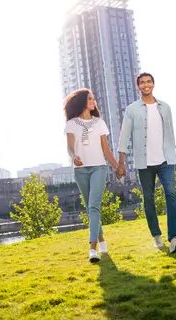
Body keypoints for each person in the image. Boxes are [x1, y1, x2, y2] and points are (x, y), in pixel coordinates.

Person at [116, 72, 176, 254]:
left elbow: (170, 134)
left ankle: (174, 238)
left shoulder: (165, 107)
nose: (146, 85)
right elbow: (124, 136)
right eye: (142, 83)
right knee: (148, 200)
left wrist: (175, 158)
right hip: (144, 163)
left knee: (171, 194)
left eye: (149, 82)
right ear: (138, 86)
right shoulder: (132, 109)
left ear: (153, 84)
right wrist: (121, 163)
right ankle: (156, 236)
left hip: (166, 160)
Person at [64, 88, 120, 263]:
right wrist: (74, 157)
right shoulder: (71, 124)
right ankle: (102, 242)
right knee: (90, 208)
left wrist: (117, 166)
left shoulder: (99, 123)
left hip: (99, 168)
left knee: (94, 206)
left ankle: (92, 249)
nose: (93, 101)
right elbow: (70, 147)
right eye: (90, 98)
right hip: (80, 170)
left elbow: (105, 149)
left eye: (94, 99)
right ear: (82, 101)